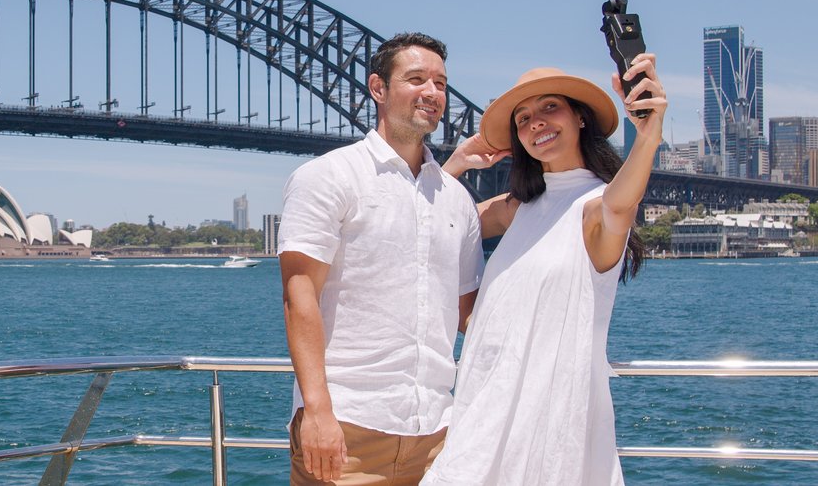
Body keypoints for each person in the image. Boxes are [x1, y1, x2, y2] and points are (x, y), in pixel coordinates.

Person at [421, 55, 667, 485]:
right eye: (522, 118)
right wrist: (456, 164)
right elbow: (434, 226)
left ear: (580, 118)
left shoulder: (595, 208)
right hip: (483, 411)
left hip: (547, 423)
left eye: (550, 107)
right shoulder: (519, 208)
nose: (535, 122)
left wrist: (647, 134)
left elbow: (621, 203)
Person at [279, 32, 486, 485]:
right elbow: (299, 297)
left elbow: (470, 315)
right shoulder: (327, 176)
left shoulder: (456, 199)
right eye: (416, 79)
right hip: (348, 430)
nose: (432, 93)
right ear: (378, 88)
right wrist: (316, 412)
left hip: (438, 434)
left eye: (441, 83)